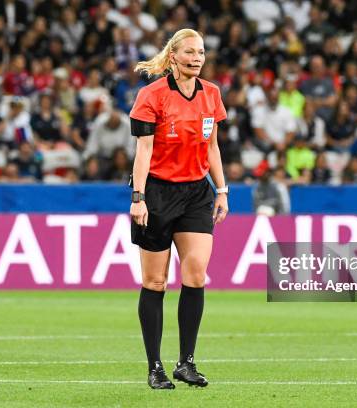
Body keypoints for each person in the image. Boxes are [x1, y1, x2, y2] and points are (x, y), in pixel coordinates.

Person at [129, 29, 228, 390]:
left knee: (197, 273)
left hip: (196, 193)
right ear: (173, 56)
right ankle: (154, 366)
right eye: (189, 52)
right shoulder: (151, 96)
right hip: (157, 193)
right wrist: (138, 198)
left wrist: (222, 190)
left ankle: (186, 362)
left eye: (201, 52)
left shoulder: (212, 94)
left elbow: (212, 146)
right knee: (155, 281)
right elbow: (143, 150)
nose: (197, 58)